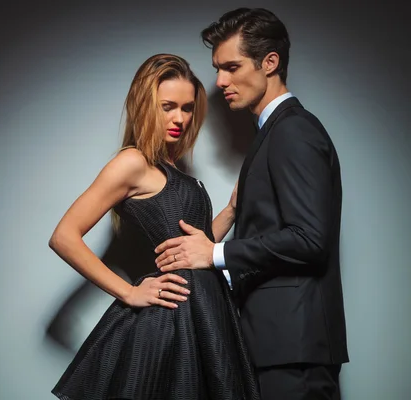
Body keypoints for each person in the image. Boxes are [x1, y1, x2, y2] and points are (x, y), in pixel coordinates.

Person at [154, 8, 349, 400]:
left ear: (270, 62)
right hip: (277, 346)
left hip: (294, 351)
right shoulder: (274, 134)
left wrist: (215, 254)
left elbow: (310, 240)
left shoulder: (292, 131)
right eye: (217, 68)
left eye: (231, 66)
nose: (220, 81)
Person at [49, 53, 260, 399]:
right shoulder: (132, 163)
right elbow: (64, 237)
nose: (180, 118)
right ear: (145, 105)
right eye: (168, 106)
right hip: (171, 324)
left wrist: (233, 209)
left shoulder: (173, 166)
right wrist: (130, 292)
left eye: (187, 108)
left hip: (206, 315)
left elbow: (194, 250)